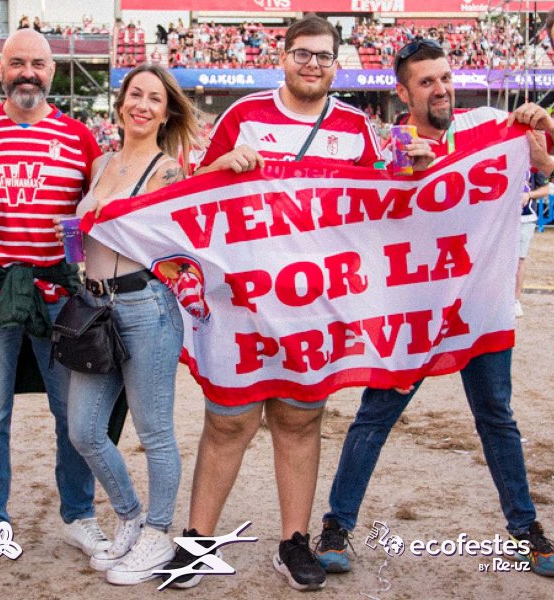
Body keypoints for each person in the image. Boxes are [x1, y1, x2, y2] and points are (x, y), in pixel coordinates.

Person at [315, 38, 554, 580]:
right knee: (374, 417)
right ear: (403, 91)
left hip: (478, 305)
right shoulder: (389, 147)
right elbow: (368, 221)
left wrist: (539, 132)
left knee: (497, 418)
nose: (441, 89)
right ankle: (336, 524)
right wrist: (408, 176)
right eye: (427, 82)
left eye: (445, 78)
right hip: (414, 313)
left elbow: (542, 163)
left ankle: (526, 529)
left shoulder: (492, 124)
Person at [162, 16, 385, 593]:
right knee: (228, 421)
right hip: (241, 303)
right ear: (283, 57)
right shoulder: (244, 116)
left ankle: (294, 541)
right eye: (303, 55)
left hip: (315, 305)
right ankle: (197, 541)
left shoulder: (357, 128)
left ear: (338, 64)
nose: (313, 65)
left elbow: (378, 215)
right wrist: (219, 166)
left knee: (299, 419)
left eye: (324, 57)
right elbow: (199, 194)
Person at [0, 29, 108, 557]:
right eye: (17, 63)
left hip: (56, 291)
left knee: (71, 413)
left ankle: (79, 514)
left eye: (37, 63)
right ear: (1, 69)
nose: (28, 72)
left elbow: (92, 211)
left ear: (52, 70)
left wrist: (76, 254)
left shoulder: (79, 137)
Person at [63, 63, 197, 586]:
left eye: (154, 100)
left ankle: (159, 534)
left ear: (166, 114)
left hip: (146, 308)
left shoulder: (168, 171)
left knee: (155, 433)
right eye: (135, 95)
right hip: (96, 309)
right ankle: (131, 515)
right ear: (121, 103)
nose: (142, 105)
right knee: (84, 430)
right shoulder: (100, 163)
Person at [516, 170, 549, 317]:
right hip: (500, 218)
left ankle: (515, 300)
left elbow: (546, 189)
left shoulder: (533, 162)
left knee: (519, 259)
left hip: (525, 218)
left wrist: (529, 195)